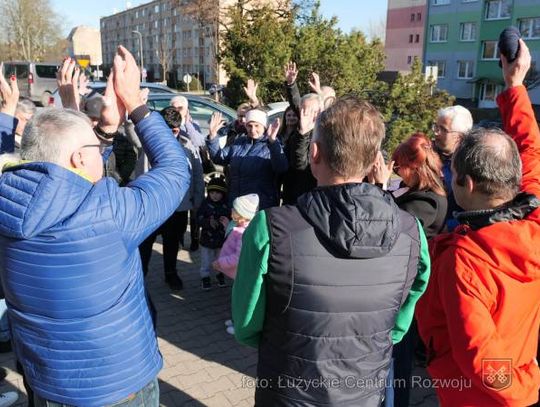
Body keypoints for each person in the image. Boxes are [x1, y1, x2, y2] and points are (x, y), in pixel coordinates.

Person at [0, 46, 190, 406]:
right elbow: (175, 171)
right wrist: (136, 104)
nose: (102, 153)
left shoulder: (5, 202)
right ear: (78, 157)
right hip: (116, 388)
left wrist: (98, 130)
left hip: (47, 385)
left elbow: (61, 174)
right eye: (96, 147)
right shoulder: (108, 213)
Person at [232, 96, 430, 406]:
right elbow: (398, 326)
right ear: (373, 159)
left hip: (288, 392)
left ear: (314, 153)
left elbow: (246, 327)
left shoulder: (270, 228)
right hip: (363, 393)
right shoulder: (411, 232)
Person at [416, 39, 540, 406]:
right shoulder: (533, 217)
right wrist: (515, 86)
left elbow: (483, 363)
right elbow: (530, 149)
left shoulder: (466, 261)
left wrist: (527, 387)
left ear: (465, 184)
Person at [139, 106, 203, 291]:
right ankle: (139, 276)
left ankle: (171, 273)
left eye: (175, 130)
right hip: (153, 206)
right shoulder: (148, 144)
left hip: (178, 207)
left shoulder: (188, 146)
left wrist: (196, 202)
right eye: (167, 130)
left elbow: (197, 175)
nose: (172, 134)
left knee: (172, 242)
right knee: (145, 244)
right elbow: (142, 173)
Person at [207, 109, 288, 209]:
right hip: (236, 204)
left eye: (256, 125)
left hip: (259, 205)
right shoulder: (240, 142)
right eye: (249, 125)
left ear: (264, 126)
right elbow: (219, 158)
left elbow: (281, 167)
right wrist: (212, 136)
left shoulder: (272, 144)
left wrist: (273, 142)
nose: (252, 129)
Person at [213, 193, 259, 336]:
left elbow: (238, 257)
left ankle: (240, 326)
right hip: (237, 273)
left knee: (240, 300)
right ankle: (235, 320)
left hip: (240, 273)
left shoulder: (243, 233)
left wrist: (220, 263)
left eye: (234, 210)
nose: (231, 211)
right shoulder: (240, 226)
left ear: (243, 215)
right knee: (236, 297)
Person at [432, 104, 473, 231]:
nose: (436, 132)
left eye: (442, 129)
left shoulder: (470, 165)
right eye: (436, 127)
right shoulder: (428, 153)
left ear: (459, 136)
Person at [281, 93, 320, 204]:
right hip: (292, 197)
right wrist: (302, 134)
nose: (305, 114)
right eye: (303, 110)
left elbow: (303, 166)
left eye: (311, 111)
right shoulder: (296, 134)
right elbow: (298, 163)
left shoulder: (325, 134)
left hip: (312, 198)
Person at [197, 175, 230, 290]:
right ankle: (205, 277)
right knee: (206, 260)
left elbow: (230, 219)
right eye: (212, 192)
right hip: (207, 239)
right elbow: (199, 219)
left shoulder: (226, 206)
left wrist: (226, 222)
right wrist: (207, 222)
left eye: (218, 193)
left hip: (221, 239)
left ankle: (219, 275)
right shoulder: (205, 204)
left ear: (223, 194)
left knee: (220, 259)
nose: (215, 195)